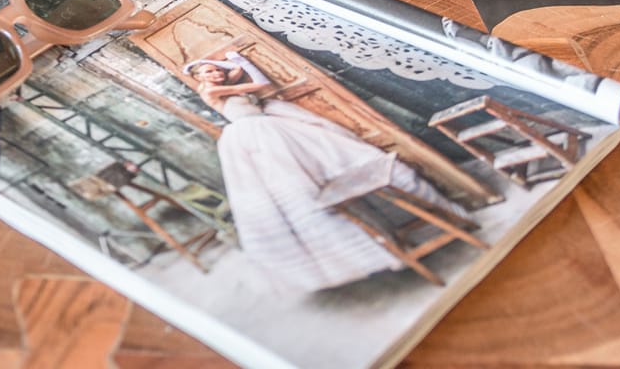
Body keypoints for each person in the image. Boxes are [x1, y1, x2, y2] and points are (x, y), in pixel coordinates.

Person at [184, 53, 470, 292]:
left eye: (216, 70)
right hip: (254, 135)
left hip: (272, 125)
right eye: (208, 72)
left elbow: (247, 75)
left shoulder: (226, 81)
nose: (215, 74)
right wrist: (224, 67)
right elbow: (260, 84)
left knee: (334, 161)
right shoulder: (210, 91)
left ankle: (408, 220)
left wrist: (232, 61)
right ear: (199, 78)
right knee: (297, 185)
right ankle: (359, 250)